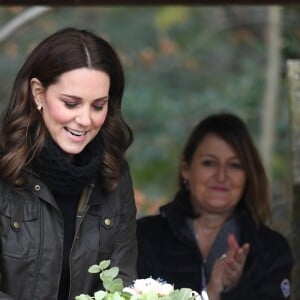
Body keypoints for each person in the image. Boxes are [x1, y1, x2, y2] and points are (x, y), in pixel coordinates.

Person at [0, 27, 137, 300]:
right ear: (38, 93)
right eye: (71, 103)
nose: (85, 120)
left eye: (98, 106)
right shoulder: (4, 165)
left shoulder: (115, 175)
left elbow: (121, 285)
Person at [137, 112, 294, 300]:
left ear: (248, 176)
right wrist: (210, 293)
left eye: (235, 165)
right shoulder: (144, 237)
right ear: (186, 169)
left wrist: (232, 288)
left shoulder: (271, 249)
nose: (221, 176)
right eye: (209, 163)